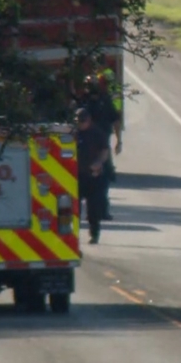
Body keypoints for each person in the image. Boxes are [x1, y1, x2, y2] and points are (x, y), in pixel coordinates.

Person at [73, 73, 122, 220]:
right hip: (85, 146)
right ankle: (84, 211)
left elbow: (115, 120)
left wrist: (119, 141)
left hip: (100, 146)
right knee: (81, 179)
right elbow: (116, 121)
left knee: (104, 179)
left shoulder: (101, 101)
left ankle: (101, 211)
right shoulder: (83, 103)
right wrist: (119, 141)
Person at [74, 108, 109, 244]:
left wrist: (99, 163)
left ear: (89, 120)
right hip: (77, 176)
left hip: (93, 176)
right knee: (74, 208)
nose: (80, 124)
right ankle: (73, 235)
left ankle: (94, 235)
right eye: (78, 121)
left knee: (93, 209)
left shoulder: (97, 133)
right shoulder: (74, 133)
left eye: (82, 121)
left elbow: (105, 150)